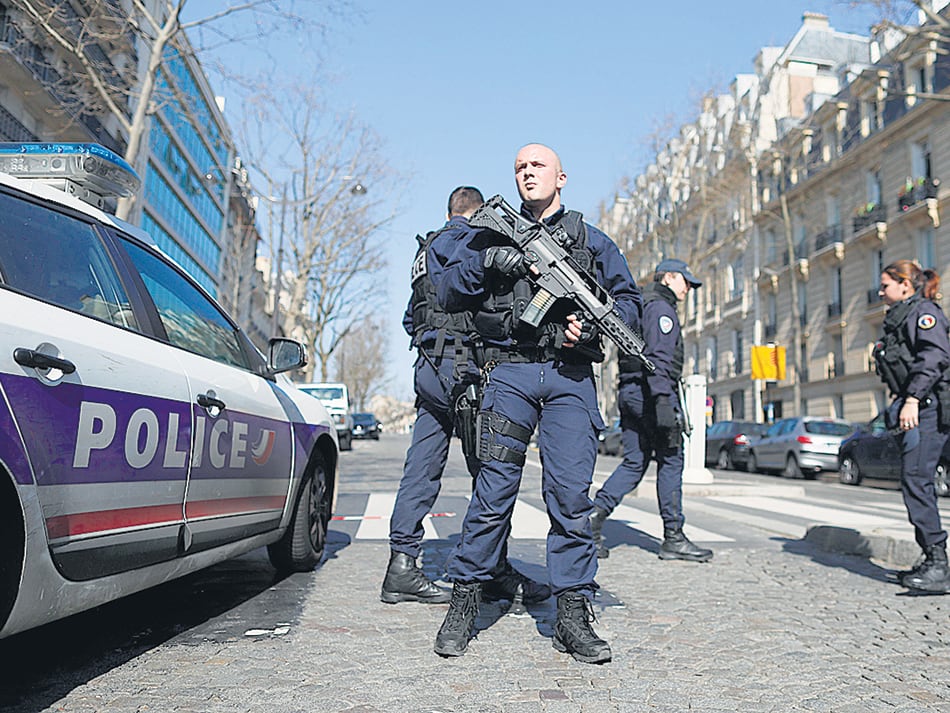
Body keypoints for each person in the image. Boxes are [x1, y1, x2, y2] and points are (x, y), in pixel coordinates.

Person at [429, 144, 641, 663]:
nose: (527, 173)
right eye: (520, 167)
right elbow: (445, 287)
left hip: (570, 378)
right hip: (509, 371)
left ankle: (572, 608)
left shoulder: (591, 241)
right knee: (492, 493)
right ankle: (466, 598)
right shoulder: (488, 232)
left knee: (570, 496)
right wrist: (488, 261)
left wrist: (589, 325)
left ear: (561, 177)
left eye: (537, 166)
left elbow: (630, 303)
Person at [381, 186, 551, 608]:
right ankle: (493, 570)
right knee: (491, 471)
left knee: (421, 468)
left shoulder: (423, 253)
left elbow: (410, 318)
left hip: (428, 367)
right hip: (464, 369)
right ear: (476, 215)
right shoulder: (467, 241)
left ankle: (401, 565)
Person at [589, 259, 713, 563]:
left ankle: (591, 520)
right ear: (669, 277)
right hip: (652, 394)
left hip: (631, 391)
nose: (688, 288)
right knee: (671, 460)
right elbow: (658, 358)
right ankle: (674, 537)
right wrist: (662, 403)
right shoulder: (660, 309)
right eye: (686, 281)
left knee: (634, 463)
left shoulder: (640, 303)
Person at [873, 260, 950, 593]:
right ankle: (931, 558)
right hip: (919, 406)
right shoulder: (901, 316)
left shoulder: (923, 313)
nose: (880, 291)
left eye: (886, 285)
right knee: (915, 481)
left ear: (905, 285)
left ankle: (938, 564)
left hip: (928, 407)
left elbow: (934, 357)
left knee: (917, 480)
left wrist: (913, 399)